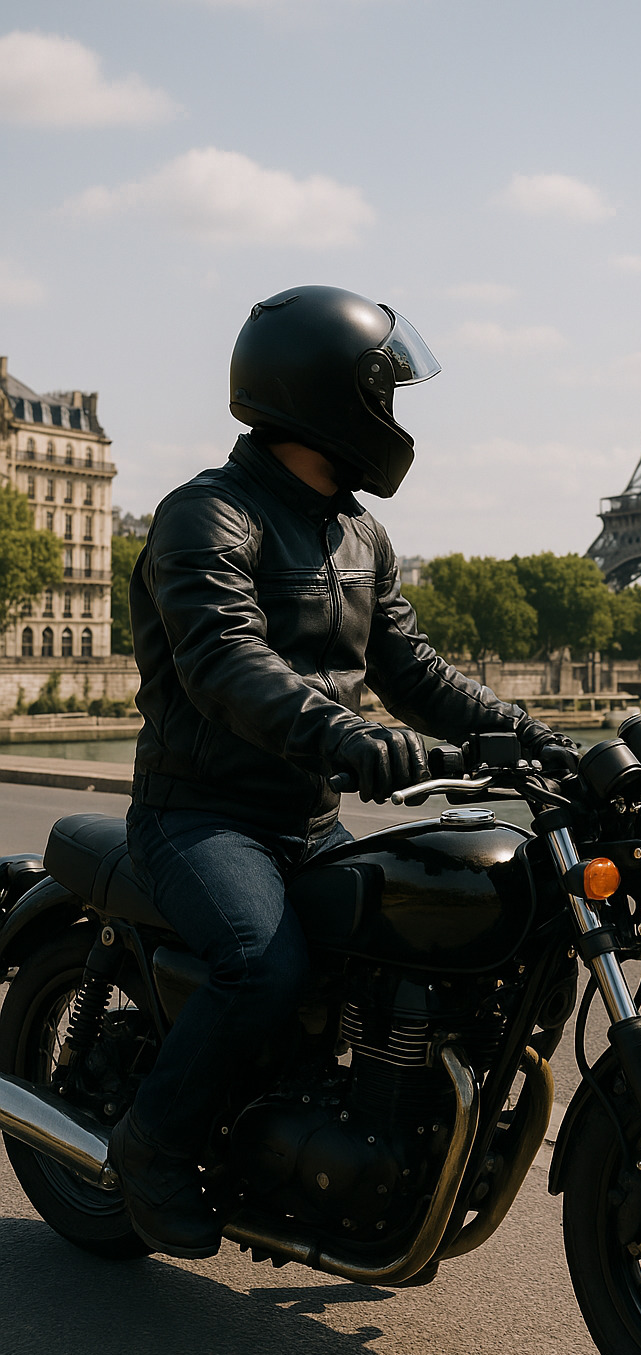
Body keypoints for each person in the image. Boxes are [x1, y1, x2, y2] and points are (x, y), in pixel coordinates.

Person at [110, 285, 574, 1259]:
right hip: (202, 817)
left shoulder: (359, 534)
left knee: (416, 946)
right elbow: (227, 666)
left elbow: (415, 672)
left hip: (307, 820)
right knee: (260, 967)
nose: (395, 419)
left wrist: (534, 740)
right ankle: (151, 1149)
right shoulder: (206, 517)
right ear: (331, 397)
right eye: (385, 395)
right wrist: (350, 738)